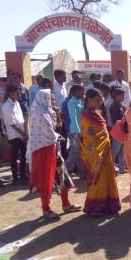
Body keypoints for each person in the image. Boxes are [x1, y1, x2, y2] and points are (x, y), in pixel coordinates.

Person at [28, 89, 80, 218]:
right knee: (47, 180)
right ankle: (46, 209)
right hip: (43, 152)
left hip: (53, 150)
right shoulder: (39, 114)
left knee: (63, 176)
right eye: (50, 99)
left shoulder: (48, 113)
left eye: (53, 99)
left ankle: (66, 205)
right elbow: (51, 135)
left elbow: (57, 129)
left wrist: (57, 115)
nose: (53, 101)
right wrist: (56, 135)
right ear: (43, 99)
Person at [80, 88, 121, 216]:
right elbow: (89, 137)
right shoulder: (86, 115)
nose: (100, 102)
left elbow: (102, 133)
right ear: (89, 100)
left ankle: (107, 206)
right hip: (96, 154)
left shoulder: (96, 113)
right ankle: (94, 208)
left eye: (101, 99)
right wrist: (98, 150)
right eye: (97, 100)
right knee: (99, 180)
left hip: (105, 152)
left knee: (107, 178)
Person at [1, 84, 28, 184]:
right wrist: (23, 133)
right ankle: (15, 177)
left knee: (23, 155)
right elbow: (12, 123)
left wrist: (25, 132)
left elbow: (20, 119)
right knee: (14, 156)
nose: (19, 94)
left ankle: (22, 175)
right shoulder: (6, 106)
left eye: (19, 92)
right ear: (10, 93)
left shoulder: (16, 103)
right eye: (17, 93)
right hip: (14, 134)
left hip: (21, 133)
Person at [65, 85, 85, 178]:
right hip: (75, 131)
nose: (83, 93)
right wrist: (78, 131)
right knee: (75, 153)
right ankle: (64, 170)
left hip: (80, 129)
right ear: (76, 92)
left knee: (79, 153)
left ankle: (82, 173)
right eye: (81, 91)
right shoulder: (72, 102)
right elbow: (73, 117)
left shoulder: (79, 101)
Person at [109, 88, 126, 174]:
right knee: (114, 152)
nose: (124, 97)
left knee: (121, 151)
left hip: (121, 131)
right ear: (117, 96)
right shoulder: (114, 106)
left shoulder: (119, 105)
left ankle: (122, 169)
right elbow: (116, 120)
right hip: (118, 131)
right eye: (122, 95)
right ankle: (112, 168)